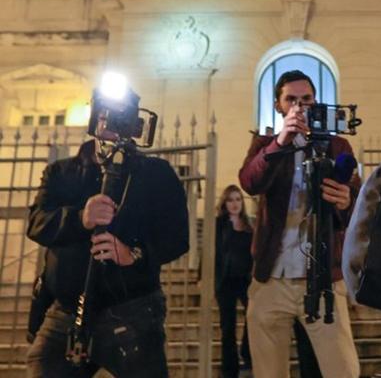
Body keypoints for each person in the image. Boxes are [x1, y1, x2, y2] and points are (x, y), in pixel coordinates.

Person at [26, 131, 189, 377]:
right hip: (67, 309)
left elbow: (177, 237)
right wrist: (80, 218)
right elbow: (37, 222)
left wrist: (134, 253)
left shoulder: (156, 173)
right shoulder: (61, 172)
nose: (112, 120)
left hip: (134, 309)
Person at [239, 70, 361, 378]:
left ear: (316, 102)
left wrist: (346, 201)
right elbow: (250, 182)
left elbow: (357, 203)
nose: (300, 106)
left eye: (306, 99)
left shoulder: (337, 146)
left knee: (342, 370)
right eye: (291, 100)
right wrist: (281, 141)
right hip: (271, 278)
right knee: (268, 371)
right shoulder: (266, 145)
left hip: (323, 280)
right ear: (279, 106)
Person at [214, 185, 254, 377]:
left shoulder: (249, 226)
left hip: (246, 280)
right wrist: (201, 277)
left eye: (238, 199)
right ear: (225, 203)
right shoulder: (218, 225)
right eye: (230, 200)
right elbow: (211, 252)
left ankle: (247, 353)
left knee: (253, 318)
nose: (235, 203)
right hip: (226, 280)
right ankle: (230, 370)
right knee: (227, 327)